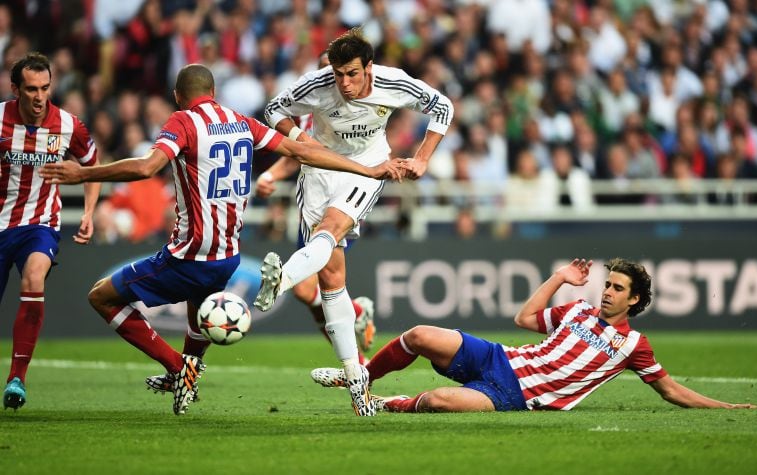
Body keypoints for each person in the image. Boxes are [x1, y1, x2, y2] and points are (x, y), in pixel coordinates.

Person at [39, 63, 404, 416]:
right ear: (213, 93)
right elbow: (301, 150)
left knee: (101, 297)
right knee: (196, 316)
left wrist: (82, 174)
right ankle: (187, 371)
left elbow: (146, 167)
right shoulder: (240, 121)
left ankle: (179, 368)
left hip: (188, 256)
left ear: (178, 96)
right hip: (227, 257)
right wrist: (366, 169)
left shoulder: (182, 121)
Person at [253, 27, 454, 416]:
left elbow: (442, 106)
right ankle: (357, 379)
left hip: (368, 168)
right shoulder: (316, 85)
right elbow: (273, 109)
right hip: (319, 169)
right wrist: (299, 140)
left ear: (369, 68)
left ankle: (283, 279)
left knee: (330, 228)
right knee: (331, 279)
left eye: (352, 74)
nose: (344, 83)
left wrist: (423, 157)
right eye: (338, 74)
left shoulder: (394, 82)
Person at [310, 258, 757, 413]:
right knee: (419, 334)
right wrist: (559, 278)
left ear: (635, 301)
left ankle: (383, 405)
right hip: (498, 358)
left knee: (435, 402)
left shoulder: (633, 347)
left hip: (515, 396)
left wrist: (724, 406)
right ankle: (363, 380)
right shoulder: (579, 310)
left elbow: (671, 390)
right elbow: (525, 319)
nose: (606, 292)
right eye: (607, 284)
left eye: (617, 288)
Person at [255, 51, 376, 364]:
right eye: (327, 72)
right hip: (312, 201)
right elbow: (301, 152)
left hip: (342, 201)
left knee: (310, 286)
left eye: (337, 72)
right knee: (314, 294)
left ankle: (357, 365)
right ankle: (357, 321)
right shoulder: (312, 109)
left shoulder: (355, 110)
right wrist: (271, 174)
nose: (333, 79)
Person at [0, 52, 100, 411]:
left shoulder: (69, 126)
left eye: (45, 88)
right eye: (31, 89)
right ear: (15, 90)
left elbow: (92, 165)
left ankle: (17, 378)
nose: (39, 97)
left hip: (39, 223)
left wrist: (89, 211)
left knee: (34, 277)